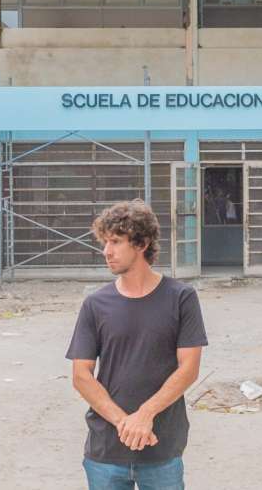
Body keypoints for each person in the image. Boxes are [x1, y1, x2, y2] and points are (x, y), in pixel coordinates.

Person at [66, 199, 208, 490]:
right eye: (105, 242)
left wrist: (145, 414)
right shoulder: (96, 304)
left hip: (162, 447)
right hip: (106, 451)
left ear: (142, 244)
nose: (106, 251)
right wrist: (126, 423)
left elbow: (189, 369)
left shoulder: (181, 298)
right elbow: (81, 376)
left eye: (116, 242)